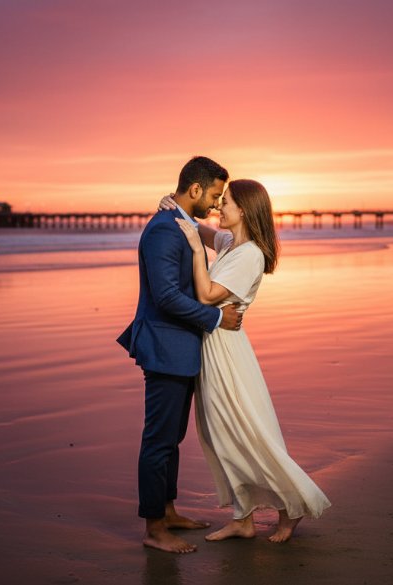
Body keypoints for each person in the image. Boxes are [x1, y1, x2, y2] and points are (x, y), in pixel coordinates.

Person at [161, 179, 330, 543]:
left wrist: (193, 249)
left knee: (246, 432)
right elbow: (201, 229)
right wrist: (175, 207)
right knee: (221, 435)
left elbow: (206, 296)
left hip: (227, 354)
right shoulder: (229, 243)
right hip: (211, 349)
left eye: (227, 203)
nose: (219, 208)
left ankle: (291, 509)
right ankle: (243, 517)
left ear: (245, 211)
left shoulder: (250, 254)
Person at [116, 156, 244, 554]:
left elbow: (208, 237)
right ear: (194, 189)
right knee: (158, 439)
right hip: (165, 348)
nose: (216, 203)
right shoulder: (163, 233)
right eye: (214, 194)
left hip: (182, 348)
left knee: (172, 436)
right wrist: (215, 317)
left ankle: (168, 511)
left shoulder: (182, 224)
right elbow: (167, 296)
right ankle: (154, 528)